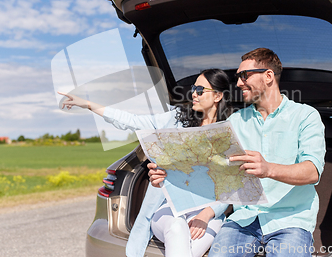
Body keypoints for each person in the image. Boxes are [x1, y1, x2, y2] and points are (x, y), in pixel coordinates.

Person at [151, 48, 326, 257]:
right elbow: (208, 170)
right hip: (244, 219)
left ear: (268, 76)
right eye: (238, 77)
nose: (239, 82)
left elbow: (312, 171)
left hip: (290, 220)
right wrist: (167, 175)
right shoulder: (234, 122)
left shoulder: (305, 116)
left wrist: (268, 169)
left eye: (245, 75)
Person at [58, 68, 232, 257]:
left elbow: (233, 185)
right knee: (176, 227)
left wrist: (206, 214)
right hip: (169, 209)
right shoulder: (175, 120)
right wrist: (89, 105)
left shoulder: (229, 133)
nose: (194, 94)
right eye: (193, 88)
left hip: (208, 213)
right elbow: (131, 120)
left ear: (218, 96)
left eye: (200, 90)